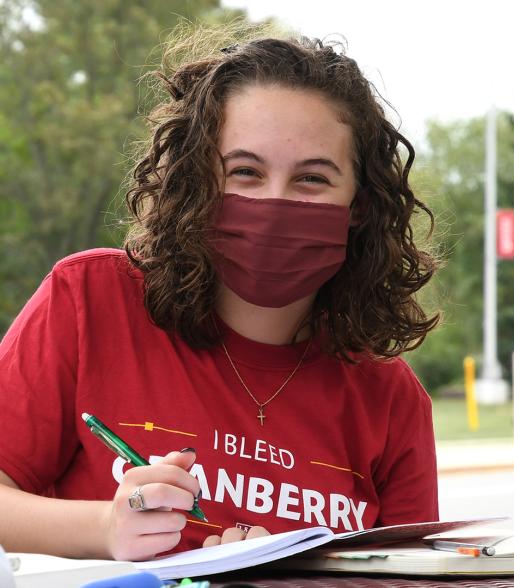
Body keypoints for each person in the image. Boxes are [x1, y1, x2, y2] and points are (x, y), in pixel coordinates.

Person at [0, 29, 440, 562]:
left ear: (360, 205)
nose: (275, 201)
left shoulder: (389, 397)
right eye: (246, 172)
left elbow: (416, 573)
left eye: (312, 179)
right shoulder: (89, 300)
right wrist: (104, 526)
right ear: (198, 181)